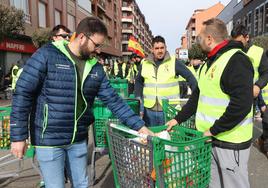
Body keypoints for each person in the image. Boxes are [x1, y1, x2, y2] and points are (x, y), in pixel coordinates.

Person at [10, 16, 152, 188]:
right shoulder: (47, 54)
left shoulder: (95, 68)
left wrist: (140, 127)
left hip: (78, 140)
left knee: (82, 184)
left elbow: (114, 101)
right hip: (49, 140)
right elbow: (23, 93)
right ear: (82, 37)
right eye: (96, 45)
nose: (98, 50)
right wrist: (18, 136)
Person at [167, 18, 253, 188]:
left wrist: (213, 130)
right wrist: (177, 119)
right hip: (211, 139)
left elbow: (241, 105)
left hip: (230, 142)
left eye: (199, 38)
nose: (197, 41)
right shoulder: (209, 63)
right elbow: (197, 98)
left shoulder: (236, 60)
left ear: (209, 39)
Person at [135, 35, 197, 127]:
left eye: (162, 48)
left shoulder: (174, 62)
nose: (160, 50)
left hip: (169, 111)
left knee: (168, 138)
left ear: (165, 48)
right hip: (149, 111)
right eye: (156, 48)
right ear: (152, 49)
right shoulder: (144, 63)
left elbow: (190, 77)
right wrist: (138, 97)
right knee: (152, 138)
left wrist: (195, 96)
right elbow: (139, 81)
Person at [231, 24, 268, 158]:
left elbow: (265, 73)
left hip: (253, 95)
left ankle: (245, 147)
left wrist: (258, 86)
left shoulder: (258, 52)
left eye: (239, 42)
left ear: (247, 38)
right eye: (234, 42)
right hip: (233, 96)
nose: (237, 45)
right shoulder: (231, 51)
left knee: (247, 123)